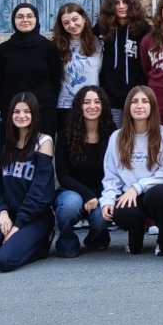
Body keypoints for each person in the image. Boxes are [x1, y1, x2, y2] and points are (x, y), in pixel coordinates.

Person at [0, 93, 56, 272]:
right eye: (16, 112)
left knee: (4, 262)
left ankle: (41, 245)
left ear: (34, 114)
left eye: (27, 111)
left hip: (35, 217)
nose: (21, 116)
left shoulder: (44, 142)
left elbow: (40, 192)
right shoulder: (8, 144)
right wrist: (2, 213)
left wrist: (18, 225)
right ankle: (17, 245)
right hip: (10, 214)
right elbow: (0, 187)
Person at [100, 85, 163, 256]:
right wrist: (108, 200)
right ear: (128, 107)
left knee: (159, 195)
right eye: (134, 102)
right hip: (130, 196)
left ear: (152, 106)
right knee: (123, 212)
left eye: (145, 101)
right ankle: (136, 233)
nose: (139, 106)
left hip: (157, 192)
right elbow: (111, 176)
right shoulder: (117, 137)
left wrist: (138, 187)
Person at [54, 85, 112, 257]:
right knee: (70, 206)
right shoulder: (65, 136)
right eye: (86, 102)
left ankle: (97, 237)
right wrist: (87, 195)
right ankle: (67, 240)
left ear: (103, 106)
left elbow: (113, 174)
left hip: (101, 191)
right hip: (71, 191)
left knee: (101, 213)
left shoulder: (112, 136)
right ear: (79, 106)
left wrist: (96, 195)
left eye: (97, 101)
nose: (92, 106)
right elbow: (63, 176)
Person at [0, 3, 63, 137]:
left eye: (30, 16)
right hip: (12, 111)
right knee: (11, 154)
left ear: (36, 19)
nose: (25, 20)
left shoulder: (49, 48)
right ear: (14, 20)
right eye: (20, 17)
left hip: (43, 110)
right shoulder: (3, 49)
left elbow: (55, 79)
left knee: (42, 153)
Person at [95, 0, 151, 129]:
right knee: (114, 139)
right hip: (109, 98)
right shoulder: (101, 28)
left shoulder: (144, 29)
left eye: (125, 2)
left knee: (137, 137)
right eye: (116, 3)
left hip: (136, 97)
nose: (121, 6)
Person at [53, 2, 102, 133]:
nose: (72, 25)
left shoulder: (98, 43)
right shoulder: (56, 46)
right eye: (66, 23)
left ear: (84, 18)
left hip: (93, 105)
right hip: (66, 105)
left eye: (75, 19)